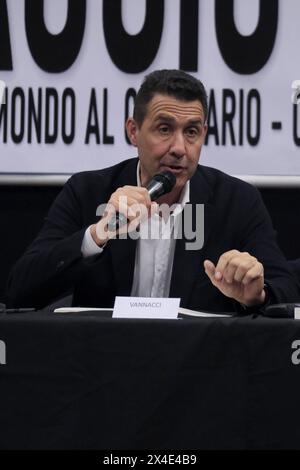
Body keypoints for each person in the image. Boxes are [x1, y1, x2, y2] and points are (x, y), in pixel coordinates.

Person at [7, 69, 299, 312]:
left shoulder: (237, 201)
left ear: (204, 135)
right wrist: (97, 235)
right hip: (102, 367)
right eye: (164, 129)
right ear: (133, 131)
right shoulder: (87, 191)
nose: (179, 149)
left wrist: (254, 294)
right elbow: (20, 290)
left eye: (192, 132)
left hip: (199, 370)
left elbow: (285, 289)